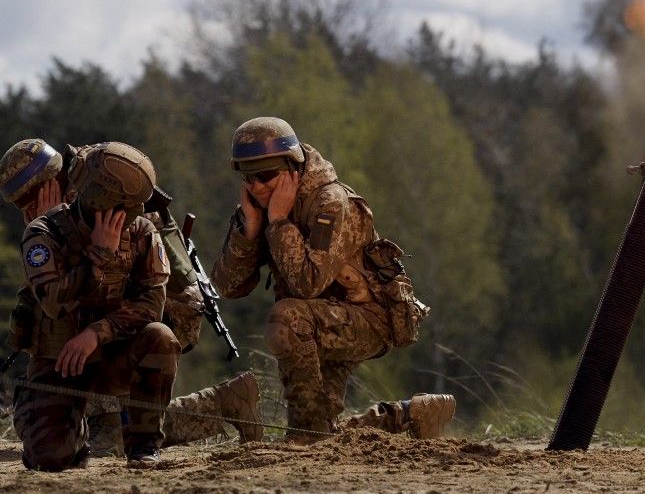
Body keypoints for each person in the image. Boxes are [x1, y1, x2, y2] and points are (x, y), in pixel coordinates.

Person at [0, 139, 262, 461]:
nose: (28, 211)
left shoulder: (112, 196)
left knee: (111, 441)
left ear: (53, 181)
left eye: (31, 198)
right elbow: (50, 301)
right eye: (20, 205)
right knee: (64, 446)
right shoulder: (62, 213)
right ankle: (223, 403)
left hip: (150, 320)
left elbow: (145, 297)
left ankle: (218, 406)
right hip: (96, 329)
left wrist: (97, 325)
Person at [212, 117, 455, 440]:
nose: (256, 186)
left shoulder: (330, 203)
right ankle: (411, 415)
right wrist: (250, 232)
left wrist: (279, 223)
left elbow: (308, 284)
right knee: (326, 427)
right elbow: (227, 287)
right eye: (248, 176)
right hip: (321, 320)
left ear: (292, 167)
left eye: (266, 175)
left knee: (287, 317)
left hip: (368, 318)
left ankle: (306, 436)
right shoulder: (261, 206)